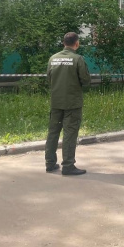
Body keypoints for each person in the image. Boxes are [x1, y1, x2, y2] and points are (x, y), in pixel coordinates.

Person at [45, 32, 91, 175]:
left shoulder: (53, 58)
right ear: (76, 43)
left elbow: (49, 78)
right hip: (72, 103)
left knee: (53, 132)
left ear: (63, 43)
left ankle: (50, 163)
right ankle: (68, 165)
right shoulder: (78, 59)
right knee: (70, 133)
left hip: (56, 101)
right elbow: (86, 80)